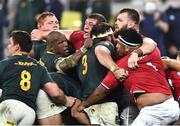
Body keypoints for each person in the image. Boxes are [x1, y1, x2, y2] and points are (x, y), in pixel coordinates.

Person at [73, 28, 179, 125]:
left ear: (127, 47)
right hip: (172, 107)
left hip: (154, 112)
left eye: (119, 44)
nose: (116, 46)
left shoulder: (123, 65)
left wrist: (83, 105)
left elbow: (102, 91)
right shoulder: (154, 53)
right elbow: (156, 49)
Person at [0, 30, 75, 125]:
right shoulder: (39, 67)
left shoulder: (4, 64)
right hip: (29, 113)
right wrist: (67, 100)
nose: (8, 46)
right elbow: (55, 93)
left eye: (10, 43)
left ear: (17, 47)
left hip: (10, 107)